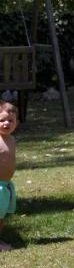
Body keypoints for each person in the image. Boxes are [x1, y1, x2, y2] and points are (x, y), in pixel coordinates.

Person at [0, 102, 18, 251]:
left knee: (2, 215)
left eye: (11, 120)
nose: (6, 123)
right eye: (2, 120)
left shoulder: (11, 139)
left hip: (6, 185)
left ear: (16, 123)